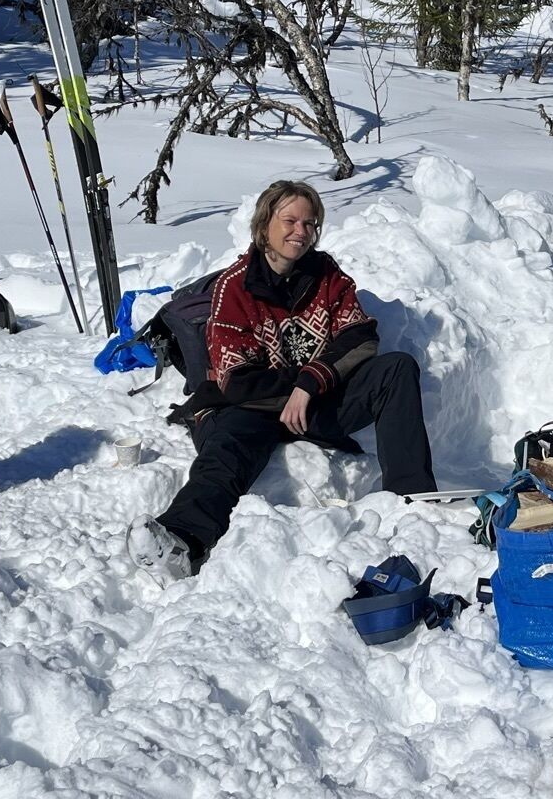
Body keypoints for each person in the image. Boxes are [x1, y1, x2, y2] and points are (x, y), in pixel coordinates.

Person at [146, 182, 435, 574]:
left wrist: (310, 383)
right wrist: (297, 388)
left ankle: (414, 501)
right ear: (265, 224)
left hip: (313, 400)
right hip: (251, 407)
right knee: (226, 454)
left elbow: (360, 335)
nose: (301, 231)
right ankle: (183, 540)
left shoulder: (325, 274)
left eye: (310, 223)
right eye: (290, 221)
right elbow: (238, 381)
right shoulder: (234, 287)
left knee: (396, 368)